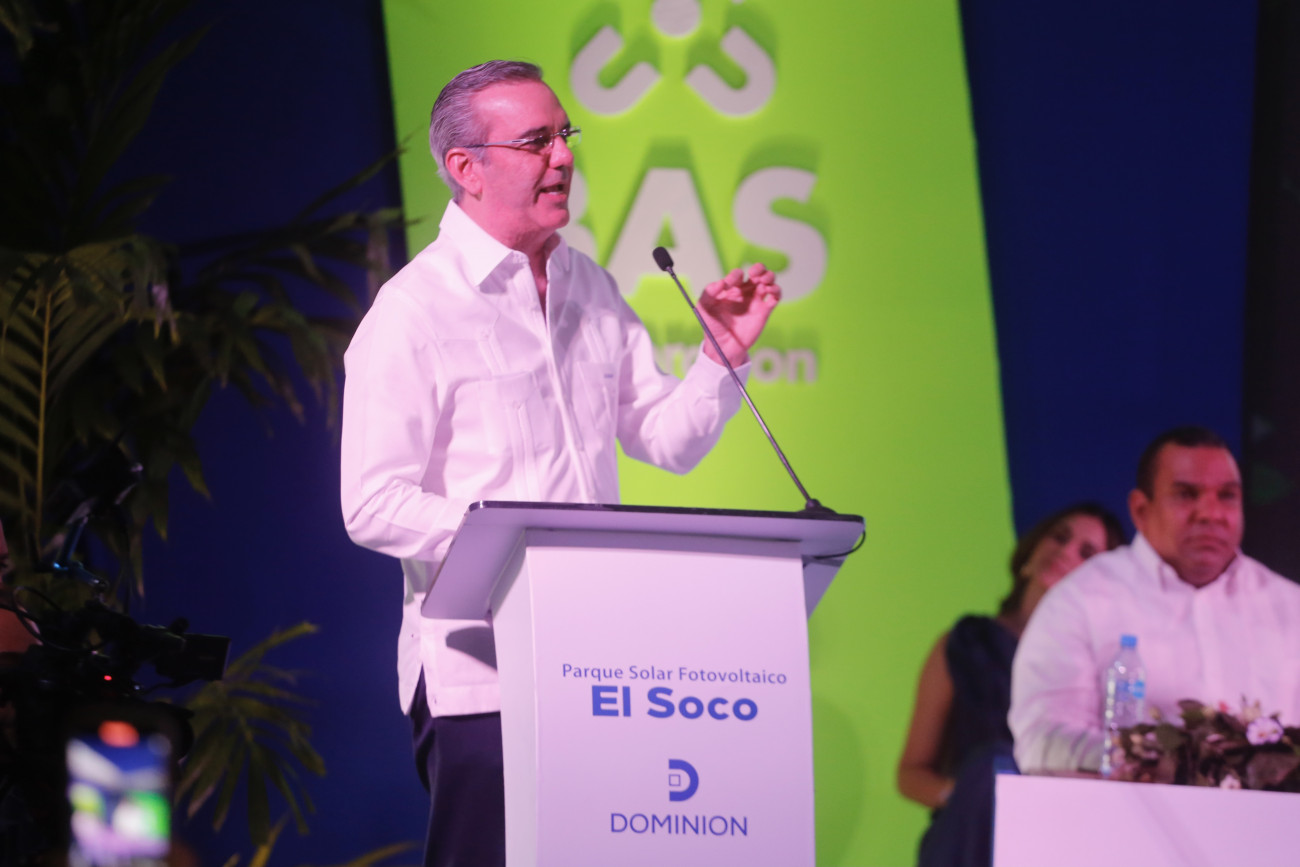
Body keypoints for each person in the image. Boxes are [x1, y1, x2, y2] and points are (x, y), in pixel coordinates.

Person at [338, 60, 781, 867]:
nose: (565, 157)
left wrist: (720, 353)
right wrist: (511, 540)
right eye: (536, 141)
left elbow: (666, 439)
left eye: (565, 135)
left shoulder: (590, 285)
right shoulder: (412, 311)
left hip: (602, 667)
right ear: (466, 168)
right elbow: (371, 501)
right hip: (483, 678)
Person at [1010, 426, 1300, 774]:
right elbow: (1042, 741)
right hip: (1122, 807)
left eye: (1227, 496)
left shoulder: (1289, 608)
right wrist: (1145, 760)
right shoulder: (1080, 601)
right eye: (1186, 494)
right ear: (1141, 510)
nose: (1210, 513)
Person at [897, 503, 1122, 867]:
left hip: (1057, 835)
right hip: (970, 836)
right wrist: (973, 795)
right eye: (1059, 537)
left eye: (1086, 552)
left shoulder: (1101, 668)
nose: (1065, 551)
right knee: (994, 763)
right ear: (1029, 554)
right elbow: (910, 773)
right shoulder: (964, 644)